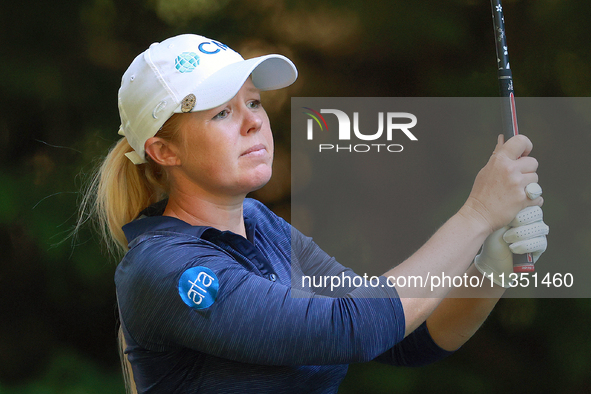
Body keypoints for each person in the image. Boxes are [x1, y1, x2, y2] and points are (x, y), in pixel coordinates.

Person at [80, 34, 548, 393]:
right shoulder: (164, 267)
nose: (253, 121)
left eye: (254, 102)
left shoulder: (262, 227)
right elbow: (353, 329)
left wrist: (491, 265)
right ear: (164, 151)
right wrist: (477, 214)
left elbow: (407, 337)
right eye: (221, 113)